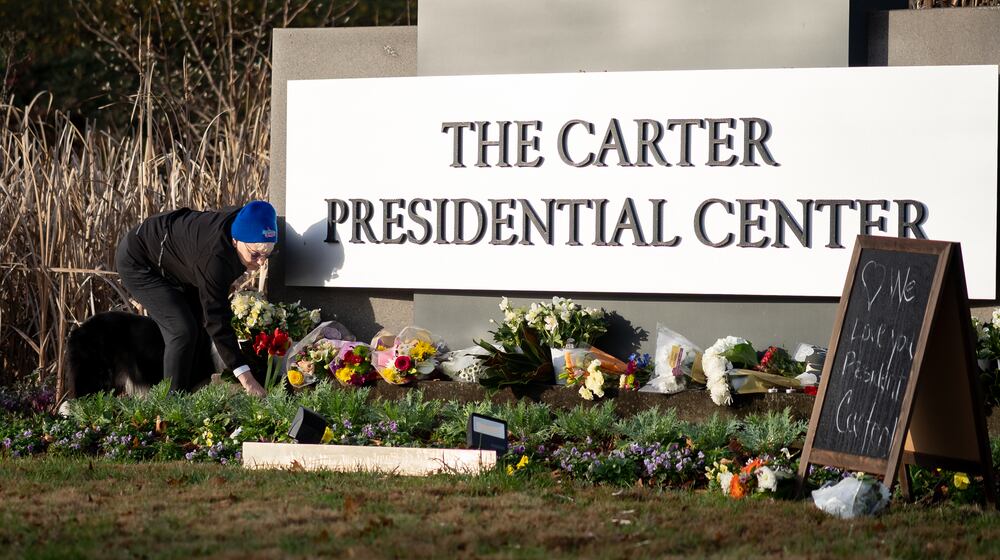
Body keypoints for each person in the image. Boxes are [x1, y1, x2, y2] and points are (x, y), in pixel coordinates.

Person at [115, 201, 278, 396]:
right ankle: (171, 405)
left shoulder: (248, 227)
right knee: (182, 330)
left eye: (267, 254)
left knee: (199, 326)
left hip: (182, 260)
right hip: (140, 260)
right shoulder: (214, 261)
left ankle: (193, 394)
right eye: (255, 255)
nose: (261, 262)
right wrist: (247, 380)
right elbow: (217, 320)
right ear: (236, 240)